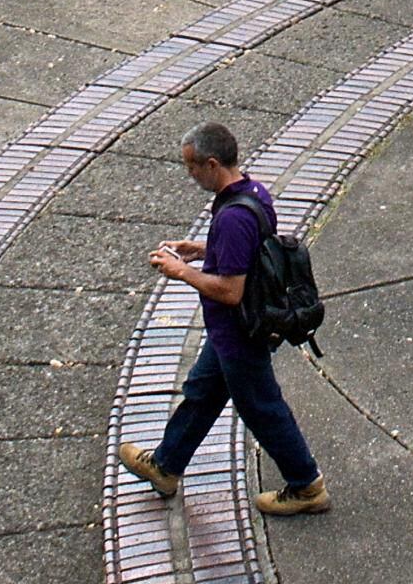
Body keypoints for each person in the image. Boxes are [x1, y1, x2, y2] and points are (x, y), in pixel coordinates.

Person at [116, 121, 329, 516]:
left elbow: (230, 290)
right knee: (201, 393)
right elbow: (246, 248)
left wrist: (181, 271)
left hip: (238, 331)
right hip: (232, 330)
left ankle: (307, 486)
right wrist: (202, 249)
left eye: (192, 166)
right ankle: (166, 466)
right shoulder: (253, 192)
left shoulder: (232, 217)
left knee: (262, 408)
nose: (190, 174)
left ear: (212, 163)